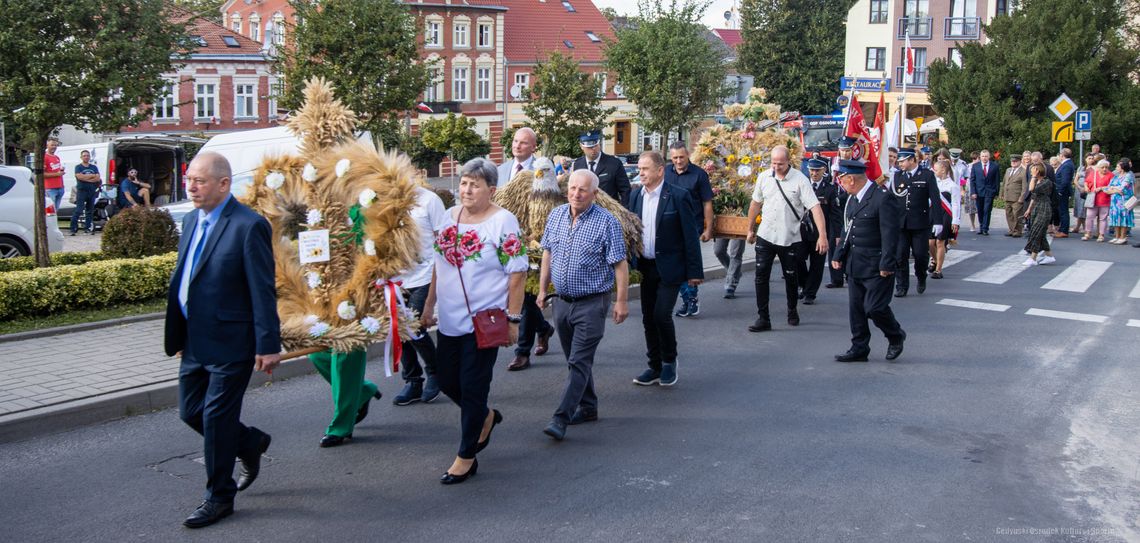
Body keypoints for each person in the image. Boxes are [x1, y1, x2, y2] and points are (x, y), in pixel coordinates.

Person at [163, 152, 281, 528]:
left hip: (232, 340)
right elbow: (188, 277)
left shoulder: (249, 226)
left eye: (199, 181)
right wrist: (180, 331)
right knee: (190, 411)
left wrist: (267, 344)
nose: (191, 186)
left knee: (215, 417)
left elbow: (262, 289)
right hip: (195, 339)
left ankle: (219, 496)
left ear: (224, 184)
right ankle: (248, 443)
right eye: (189, 180)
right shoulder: (191, 219)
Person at [421, 158, 527, 485]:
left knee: (472, 386)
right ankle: (485, 416)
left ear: (491, 190)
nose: (467, 189)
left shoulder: (503, 221)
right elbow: (440, 267)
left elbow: (518, 273)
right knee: (447, 380)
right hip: (450, 319)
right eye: (464, 183)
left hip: (485, 321)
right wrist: (428, 307)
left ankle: (466, 456)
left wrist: (513, 319)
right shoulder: (449, 217)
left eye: (475, 184)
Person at [535, 169, 629, 441]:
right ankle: (588, 407)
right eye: (573, 188)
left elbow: (620, 264)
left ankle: (560, 418)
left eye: (583, 190)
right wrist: (542, 289)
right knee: (574, 361)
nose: (576, 193)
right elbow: (547, 253)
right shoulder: (556, 216)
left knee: (578, 361)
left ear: (594, 194)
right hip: (562, 303)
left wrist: (621, 301)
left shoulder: (606, 222)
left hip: (592, 304)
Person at [626, 151, 703, 387]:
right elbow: (633, 232)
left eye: (645, 169)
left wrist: (695, 272)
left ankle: (670, 361)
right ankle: (654, 366)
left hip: (670, 267)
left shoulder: (679, 196)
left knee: (661, 314)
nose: (641, 173)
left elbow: (690, 235)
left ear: (660, 170)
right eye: (639, 169)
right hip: (646, 266)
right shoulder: (636, 195)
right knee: (648, 318)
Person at [745, 145, 827, 332]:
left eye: (780, 164)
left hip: (789, 237)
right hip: (766, 234)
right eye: (773, 163)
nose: (776, 167)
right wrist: (750, 229)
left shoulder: (800, 180)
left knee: (791, 276)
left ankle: (792, 310)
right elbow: (755, 203)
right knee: (760, 276)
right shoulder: (764, 177)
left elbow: (815, 208)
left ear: (788, 161)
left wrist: (822, 236)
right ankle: (763, 317)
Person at [830, 160, 906, 363]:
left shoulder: (882, 198)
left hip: (877, 264)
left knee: (874, 308)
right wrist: (838, 254)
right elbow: (847, 230)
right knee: (856, 310)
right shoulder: (853, 199)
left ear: (851, 180)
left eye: (842, 180)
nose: (841, 184)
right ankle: (859, 347)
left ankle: (895, 335)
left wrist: (887, 264)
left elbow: (890, 234)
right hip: (856, 264)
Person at [498, 128, 555, 372]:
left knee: (526, 296)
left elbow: (549, 204)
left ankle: (522, 352)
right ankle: (543, 328)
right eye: (515, 142)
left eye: (523, 143)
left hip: (532, 240)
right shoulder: (501, 171)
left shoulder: (542, 169)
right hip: (506, 240)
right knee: (521, 297)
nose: (517, 146)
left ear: (534, 147)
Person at [392, 184, 449, 406]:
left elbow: (442, 240)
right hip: (396, 278)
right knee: (398, 328)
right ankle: (413, 380)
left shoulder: (429, 200)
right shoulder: (387, 200)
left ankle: (435, 372)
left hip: (425, 275)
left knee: (413, 326)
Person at [664, 141, 713, 317]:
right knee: (676, 266)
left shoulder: (699, 174)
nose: (678, 161)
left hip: (692, 226)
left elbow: (707, 202)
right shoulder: (666, 173)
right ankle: (688, 299)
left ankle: (691, 299)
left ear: (688, 155)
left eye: (681, 157)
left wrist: (708, 229)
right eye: (675, 157)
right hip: (670, 226)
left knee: (687, 265)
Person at [890, 148, 943, 297]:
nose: (899, 164)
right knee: (900, 255)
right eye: (898, 161)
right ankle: (902, 286)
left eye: (902, 161)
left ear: (912, 160)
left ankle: (921, 276)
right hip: (901, 223)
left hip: (920, 223)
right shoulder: (897, 177)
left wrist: (938, 221)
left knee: (920, 255)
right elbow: (891, 200)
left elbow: (935, 199)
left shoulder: (927, 175)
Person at [796, 158, 834, 304]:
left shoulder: (830, 189)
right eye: (811, 170)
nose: (814, 173)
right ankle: (804, 285)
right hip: (802, 232)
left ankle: (810, 293)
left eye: (817, 170)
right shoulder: (802, 186)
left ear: (824, 170)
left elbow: (834, 214)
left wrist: (835, 235)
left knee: (817, 265)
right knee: (797, 258)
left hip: (819, 234)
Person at [573, 130, 631, 206]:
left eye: (595, 145)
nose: (593, 149)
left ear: (599, 143)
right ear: (581, 146)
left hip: (609, 212)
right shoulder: (578, 164)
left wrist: (624, 212)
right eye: (589, 147)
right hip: (585, 211)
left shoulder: (614, 163)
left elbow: (625, 190)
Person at [929, 159, 961, 278]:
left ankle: (938, 269)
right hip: (933, 213)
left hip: (946, 215)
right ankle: (934, 258)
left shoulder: (953, 186)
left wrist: (955, 221)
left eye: (936, 169)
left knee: (940, 242)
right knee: (930, 242)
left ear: (943, 170)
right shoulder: (934, 183)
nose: (934, 171)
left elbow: (956, 204)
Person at [1022, 163, 1057, 266]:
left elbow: (1031, 189)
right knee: (1040, 234)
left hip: (1044, 209)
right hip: (1036, 208)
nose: (1031, 172)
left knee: (1036, 232)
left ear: (1038, 171)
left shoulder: (1047, 182)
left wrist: (1033, 177)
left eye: (1033, 170)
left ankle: (1033, 258)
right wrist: (1029, 209)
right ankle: (1049, 256)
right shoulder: (1038, 181)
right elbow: (1034, 196)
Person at [70, 150, 102, 235]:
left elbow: (98, 178)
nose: (86, 157)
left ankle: (88, 228)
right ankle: (73, 228)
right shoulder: (78, 167)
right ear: (81, 157)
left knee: (90, 211)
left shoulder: (94, 167)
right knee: (79, 210)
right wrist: (92, 176)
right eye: (84, 156)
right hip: (81, 191)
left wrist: (87, 178)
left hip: (91, 191)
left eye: (88, 155)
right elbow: (79, 177)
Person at [969, 149, 1000, 236]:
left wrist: (996, 192)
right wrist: (973, 192)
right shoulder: (975, 166)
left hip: (990, 192)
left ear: (989, 157)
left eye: (986, 156)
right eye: (983, 156)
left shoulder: (995, 166)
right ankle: (981, 226)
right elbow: (972, 180)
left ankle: (985, 228)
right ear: (980, 157)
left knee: (987, 210)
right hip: (979, 192)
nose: (984, 158)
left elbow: (997, 180)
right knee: (980, 210)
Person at [1106, 158, 1134, 244]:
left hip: (1124, 202)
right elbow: (1107, 188)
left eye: (1118, 166)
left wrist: (1113, 189)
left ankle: (1123, 237)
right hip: (1114, 201)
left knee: (1123, 219)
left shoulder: (1128, 176)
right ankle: (1117, 236)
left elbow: (1122, 187)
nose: (1116, 168)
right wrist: (1115, 190)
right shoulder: (1115, 177)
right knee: (1115, 219)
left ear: (1122, 167)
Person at [1083, 159, 1113, 242]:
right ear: (1098, 167)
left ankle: (1101, 234)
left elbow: (1113, 187)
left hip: (1105, 199)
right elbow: (1086, 181)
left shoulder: (1111, 175)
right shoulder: (1094, 174)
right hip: (1093, 199)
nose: (1104, 169)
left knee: (1103, 218)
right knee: (1089, 217)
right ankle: (1087, 233)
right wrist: (1086, 187)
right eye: (1102, 167)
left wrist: (1101, 188)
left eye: (1106, 167)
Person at [1002, 155, 1026, 237]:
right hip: (1008, 196)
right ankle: (1011, 229)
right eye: (1012, 161)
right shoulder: (1008, 170)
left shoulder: (1023, 171)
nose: (1013, 163)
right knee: (1009, 214)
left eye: (1015, 161)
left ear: (1020, 161)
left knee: (1017, 215)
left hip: (1017, 197)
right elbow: (1004, 182)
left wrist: (1022, 197)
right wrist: (1001, 194)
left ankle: (1017, 231)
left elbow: (1024, 186)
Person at [1072, 154, 1094, 235]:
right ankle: (1077, 227)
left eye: (1092, 158)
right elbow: (1075, 179)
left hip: (1088, 190)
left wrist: (1086, 188)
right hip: (1079, 190)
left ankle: (1085, 228)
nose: (1091, 160)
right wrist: (1079, 187)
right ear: (1085, 159)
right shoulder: (1081, 167)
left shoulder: (1094, 168)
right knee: (1079, 208)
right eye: (1089, 158)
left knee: (1084, 209)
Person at [43, 137, 65, 211]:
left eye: (55, 145)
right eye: (52, 145)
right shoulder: (45, 157)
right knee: (50, 210)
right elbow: (42, 174)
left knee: (56, 210)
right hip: (50, 188)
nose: (54, 147)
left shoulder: (57, 157)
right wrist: (57, 174)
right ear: (47, 146)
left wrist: (61, 171)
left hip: (60, 187)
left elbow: (56, 170)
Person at [960, 151, 979, 232]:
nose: (975, 160)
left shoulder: (981, 166)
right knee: (971, 209)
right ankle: (972, 224)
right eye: (974, 158)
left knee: (980, 208)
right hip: (970, 189)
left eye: (976, 158)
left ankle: (981, 224)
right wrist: (962, 189)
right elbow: (962, 179)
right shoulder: (968, 166)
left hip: (979, 189)